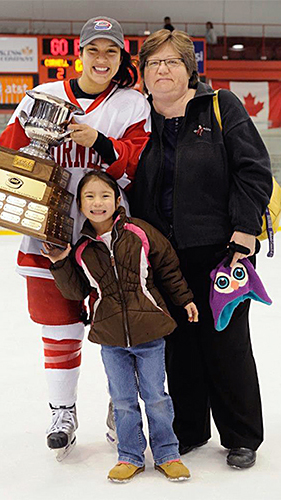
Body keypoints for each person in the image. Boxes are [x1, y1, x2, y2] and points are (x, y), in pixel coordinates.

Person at [0, 16, 151, 460]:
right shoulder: (40, 98)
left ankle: (119, 412)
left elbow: (139, 167)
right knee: (59, 327)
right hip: (48, 235)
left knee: (122, 328)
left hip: (109, 241)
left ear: (121, 58)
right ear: (78, 53)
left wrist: (100, 141)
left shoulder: (132, 104)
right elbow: (6, 155)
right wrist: (29, 150)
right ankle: (62, 412)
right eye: (94, 50)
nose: (102, 59)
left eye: (112, 52)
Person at [130, 29, 273, 469]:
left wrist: (245, 231)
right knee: (178, 347)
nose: (163, 70)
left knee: (226, 344)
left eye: (171, 61)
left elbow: (253, 169)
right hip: (162, 258)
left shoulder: (220, 106)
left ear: (189, 68)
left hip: (219, 251)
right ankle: (189, 429)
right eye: (153, 63)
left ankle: (241, 436)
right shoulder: (139, 122)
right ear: (144, 74)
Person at [41, 170, 198, 482]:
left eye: (104, 196)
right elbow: (76, 291)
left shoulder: (139, 232)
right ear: (81, 205)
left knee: (156, 396)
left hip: (150, 330)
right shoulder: (82, 248)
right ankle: (129, 455)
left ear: (116, 200)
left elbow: (167, 265)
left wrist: (185, 299)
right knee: (123, 400)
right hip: (111, 337)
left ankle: (167, 453)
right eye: (89, 197)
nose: (98, 203)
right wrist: (60, 261)